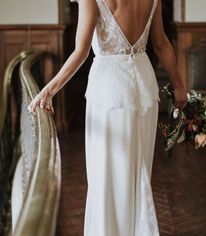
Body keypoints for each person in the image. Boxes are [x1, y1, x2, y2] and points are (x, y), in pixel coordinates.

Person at [28, 0, 187, 235]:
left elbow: (81, 51)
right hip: (144, 87)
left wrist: (48, 90)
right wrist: (178, 85)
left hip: (110, 91)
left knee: (106, 176)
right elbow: (162, 43)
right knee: (137, 171)